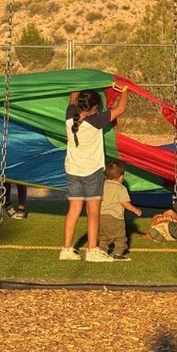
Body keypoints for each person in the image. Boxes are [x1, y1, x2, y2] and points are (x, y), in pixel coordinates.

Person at [60, 86, 129, 262]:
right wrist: (125, 90)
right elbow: (120, 109)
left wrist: (80, 82)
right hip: (92, 172)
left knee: (73, 210)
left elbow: (73, 97)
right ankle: (92, 250)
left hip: (73, 170)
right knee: (93, 213)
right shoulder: (95, 120)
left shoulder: (70, 115)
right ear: (93, 109)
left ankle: (66, 249)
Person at [99, 160, 142, 260]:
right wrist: (135, 210)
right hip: (115, 218)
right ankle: (118, 253)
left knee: (103, 237)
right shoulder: (121, 188)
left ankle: (102, 251)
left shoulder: (102, 186)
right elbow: (125, 203)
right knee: (120, 237)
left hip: (101, 216)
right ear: (121, 177)